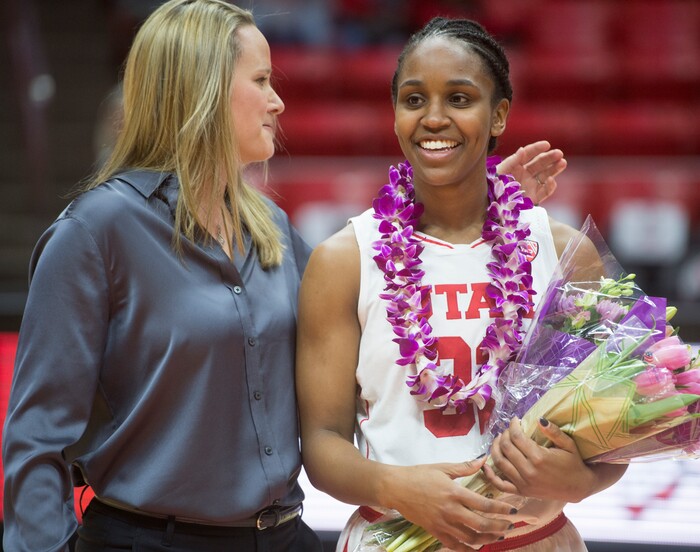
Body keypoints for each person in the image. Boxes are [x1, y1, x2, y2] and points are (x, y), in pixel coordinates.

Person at [1, 0, 566, 549]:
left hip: (281, 535)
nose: (278, 102)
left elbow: (379, 284)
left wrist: (474, 203)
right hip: (152, 537)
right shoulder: (95, 231)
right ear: (204, 89)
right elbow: (35, 443)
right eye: (262, 80)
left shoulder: (268, 224)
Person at [295, 17, 627, 552]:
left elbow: (614, 435)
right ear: (395, 114)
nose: (433, 118)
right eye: (413, 99)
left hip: (537, 540)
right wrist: (398, 487)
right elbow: (322, 443)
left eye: (459, 98)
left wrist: (582, 481)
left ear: (499, 115)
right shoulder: (343, 260)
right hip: (392, 538)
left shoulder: (567, 253)